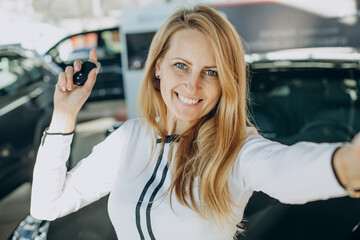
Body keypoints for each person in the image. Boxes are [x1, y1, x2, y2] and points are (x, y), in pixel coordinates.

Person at [30, 4, 360, 239]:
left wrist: (345, 164)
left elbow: (285, 170)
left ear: (226, 82)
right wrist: (64, 115)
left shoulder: (237, 148)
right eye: (181, 65)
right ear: (157, 67)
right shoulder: (131, 137)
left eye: (211, 72)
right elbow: (47, 205)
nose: (193, 85)